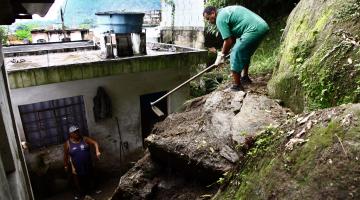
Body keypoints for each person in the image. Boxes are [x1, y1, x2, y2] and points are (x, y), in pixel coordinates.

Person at [203, 5, 269, 91]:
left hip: (253, 29)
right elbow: (232, 38)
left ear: (213, 13)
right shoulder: (225, 12)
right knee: (245, 52)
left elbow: (228, 41)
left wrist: (222, 55)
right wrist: (224, 52)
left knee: (235, 53)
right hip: (262, 26)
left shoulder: (219, 18)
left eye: (208, 19)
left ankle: (237, 86)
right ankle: (244, 77)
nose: (209, 22)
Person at [64, 125, 101, 199]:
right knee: (79, 180)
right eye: (74, 132)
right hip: (77, 166)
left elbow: (95, 143)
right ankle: (82, 194)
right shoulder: (68, 143)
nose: (77, 133)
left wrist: (97, 151)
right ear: (70, 134)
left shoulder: (84, 139)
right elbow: (65, 155)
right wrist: (65, 165)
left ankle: (93, 190)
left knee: (91, 176)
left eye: (77, 131)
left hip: (88, 163)